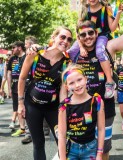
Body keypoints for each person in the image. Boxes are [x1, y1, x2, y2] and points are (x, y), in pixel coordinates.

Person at [68, 0, 123, 159]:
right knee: (78, 149)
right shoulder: (74, 52)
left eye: (91, 33)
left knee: (103, 150)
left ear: (97, 33)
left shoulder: (108, 47)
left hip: (104, 109)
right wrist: (34, 49)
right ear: (79, 37)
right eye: (83, 34)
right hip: (78, 109)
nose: (87, 37)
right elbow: (56, 51)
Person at [18, 26, 73, 160]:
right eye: (62, 37)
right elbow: (22, 77)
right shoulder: (35, 54)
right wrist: (20, 103)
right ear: (53, 38)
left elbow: (63, 89)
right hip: (32, 106)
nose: (65, 41)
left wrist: (62, 109)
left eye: (69, 39)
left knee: (63, 141)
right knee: (38, 144)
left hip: (53, 108)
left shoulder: (67, 62)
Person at [68, 0, 123, 99]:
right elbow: (78, 31)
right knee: (71, 52)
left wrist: (118, 14)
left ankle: (110, 82)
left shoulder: (107, 8)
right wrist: (81, 46)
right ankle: (71, 79)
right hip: (85, 36)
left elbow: (112, 28)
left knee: (99, 52)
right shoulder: (84, 9)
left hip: (102, 36)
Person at [58, 64, 105, 160]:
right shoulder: (64, 106)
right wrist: (62, 158)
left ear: (86, 79)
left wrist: (100, 154)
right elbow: (62, 135)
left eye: (79, 80)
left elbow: (101, 129)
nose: (77, 85)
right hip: (71, 149)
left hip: (91, 148)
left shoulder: (97, 100)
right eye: (71, 83)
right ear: (67, 87)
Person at [7, 41, 26, 135]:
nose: (12, 49)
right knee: (17, 107)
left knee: (27, 108)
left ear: (19, 48)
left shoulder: (27, 57)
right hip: (14, 87)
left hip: (26, 87)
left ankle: (29, 129)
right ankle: (22, 128)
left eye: (13, 47)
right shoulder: (12, 59)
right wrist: (9, 88)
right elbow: (9, 73)